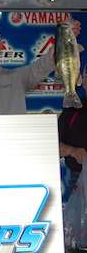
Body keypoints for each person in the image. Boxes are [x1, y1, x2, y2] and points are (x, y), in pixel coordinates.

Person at [58, 64, 87, 201]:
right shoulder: (72, 110)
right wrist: (71, 150)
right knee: (77, 223)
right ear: (84, 82)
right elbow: (53, 146)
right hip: (78, 183)